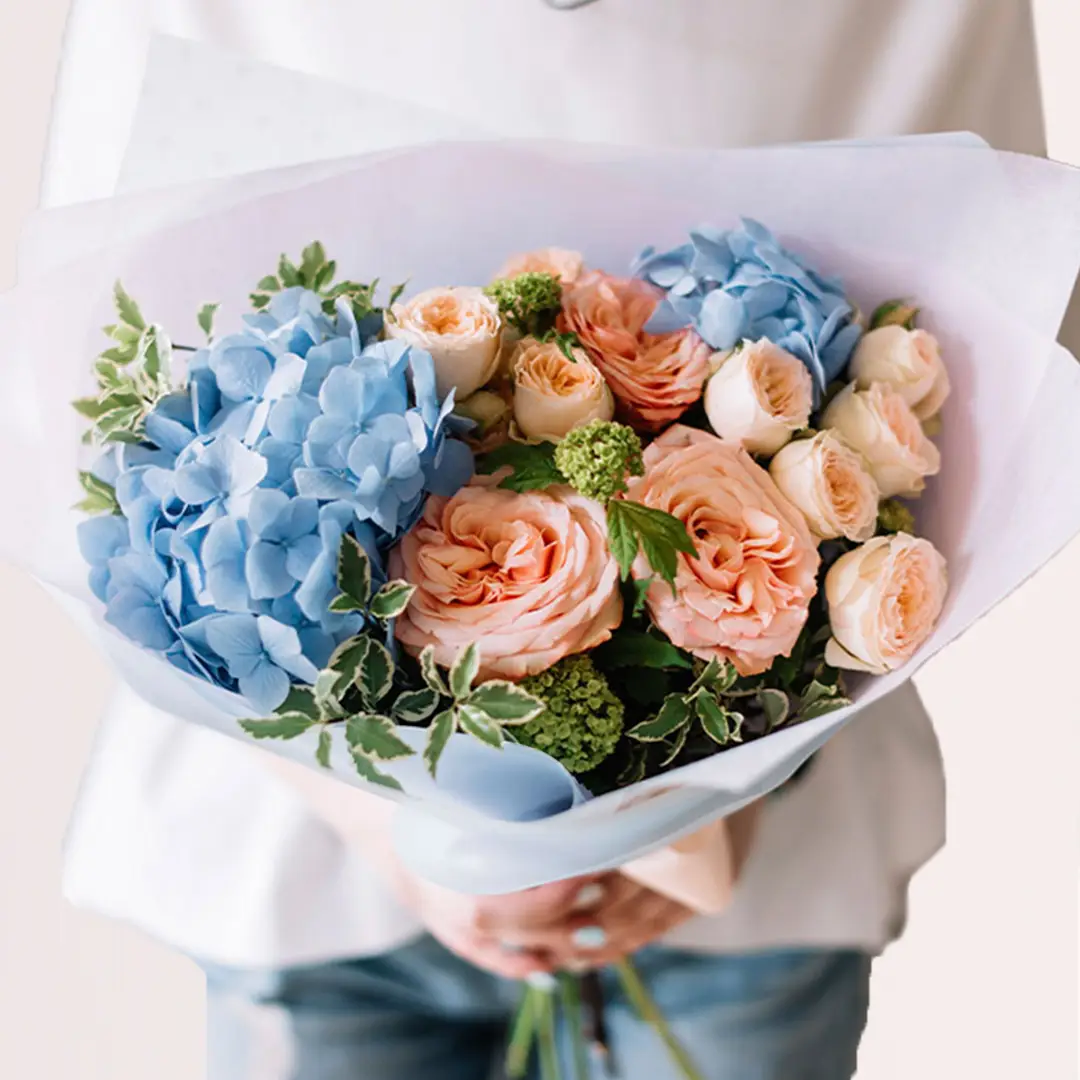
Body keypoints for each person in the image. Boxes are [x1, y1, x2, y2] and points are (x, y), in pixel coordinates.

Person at [48, 1, 1051, 1077]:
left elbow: (1008, 331)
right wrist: (387, 823)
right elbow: (82, 376)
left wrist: (718, 808)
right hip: (302, 869)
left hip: (765, 881)